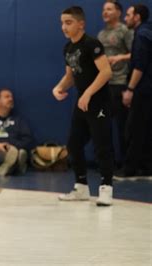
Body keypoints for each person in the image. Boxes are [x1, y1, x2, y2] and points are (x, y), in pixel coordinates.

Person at [53, 6, 115, 206]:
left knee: (102, 145)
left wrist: (88, 93)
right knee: (73, 144)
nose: (64, 27)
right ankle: (81, 187)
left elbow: (105, 72)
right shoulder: (67, 48)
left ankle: (106, 189)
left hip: (98, 102)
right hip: (83, 102)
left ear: (81, 24)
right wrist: (59, 87)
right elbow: (71, 75)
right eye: (62, 23)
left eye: (68, 22)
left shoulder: (92, 44)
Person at [115, 4, 152, 177]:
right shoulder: (148, 31)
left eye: (129, 15)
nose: (125, 18)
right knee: (144, 129)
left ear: (137, 17)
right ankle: (146, 167)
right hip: (147, 89)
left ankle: (129, 169)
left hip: (143, 89)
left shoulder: (141, 35)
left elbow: (140, 65)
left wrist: (130, 89)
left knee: (134, 129)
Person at [97, 0, 134, 165]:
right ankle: (108, 163)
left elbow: (136, 54)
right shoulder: (101, 34)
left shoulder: (124, 31)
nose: (105, 12)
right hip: (105, 84)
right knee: (103, 125)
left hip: (120, 82)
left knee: (122, 126)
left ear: (118, 12)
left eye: (109, 9)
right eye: (104, 9)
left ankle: (127, 163)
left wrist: (119, 57)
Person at [0, 88, 33, 176]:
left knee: (19, 152)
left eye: (11, 97)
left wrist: (11, 146)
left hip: (14, 148)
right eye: (7, 97)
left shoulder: (19, 121)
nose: (10, 99)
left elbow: (27, 140)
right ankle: (16, 164)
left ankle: (10, 164)